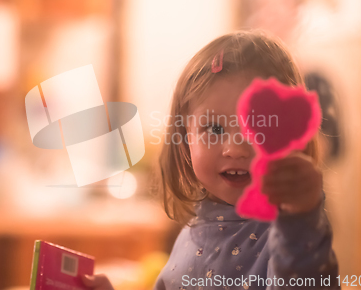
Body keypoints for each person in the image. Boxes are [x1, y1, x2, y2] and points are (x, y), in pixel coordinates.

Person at [81, 30, 340, 290]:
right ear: (185, 139)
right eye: (214, 129)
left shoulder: (293, 236)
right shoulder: (192, 231)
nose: (235, 149)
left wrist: (301, 216)